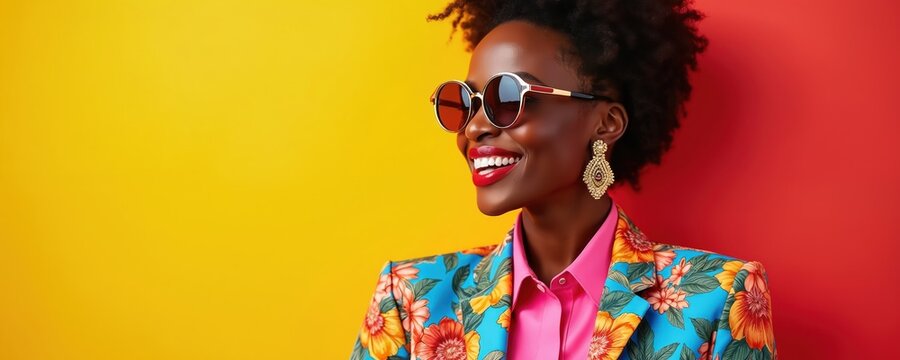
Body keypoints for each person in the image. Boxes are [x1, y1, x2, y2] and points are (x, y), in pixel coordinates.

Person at [351, 1, 776, 359]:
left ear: (606, 123)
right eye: (465, 102)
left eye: (509, 98)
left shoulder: (718, 298)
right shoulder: (410, 300)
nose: (475, 127)